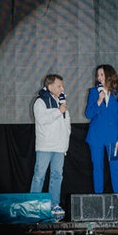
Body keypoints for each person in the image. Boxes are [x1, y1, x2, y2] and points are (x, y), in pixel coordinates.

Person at [84, 64, 118, 211]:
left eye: (101, 75)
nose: (99, 78)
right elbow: (88, 114)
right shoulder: (93, 92)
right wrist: (98, 100)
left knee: (115, 169)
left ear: (109, 76)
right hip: (95, 137)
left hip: (113, 139)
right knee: (97, 168)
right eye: (98, 75)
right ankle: (98, 201)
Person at [30, 74, 71, 217]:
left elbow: (67, 125)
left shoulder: (61, 102)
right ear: (50, 86)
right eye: (59, 86)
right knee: (39, 175)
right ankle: (33, 205)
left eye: (62, 86)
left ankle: (54, 204)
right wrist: (58, 111)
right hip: (45, 147)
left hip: (59, 147)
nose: (62, 88)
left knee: (57, 175)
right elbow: (42, 120)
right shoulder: (40, 102)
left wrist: (65, 145)